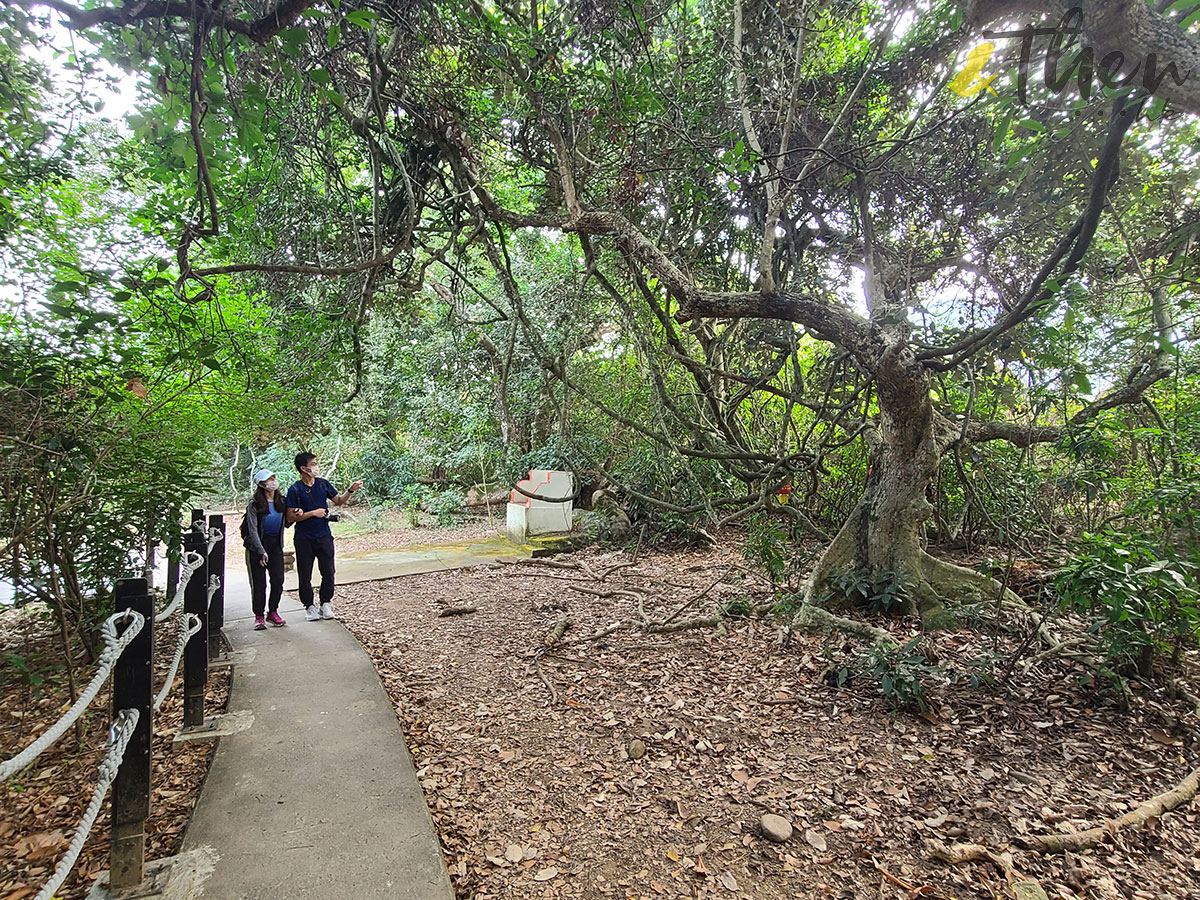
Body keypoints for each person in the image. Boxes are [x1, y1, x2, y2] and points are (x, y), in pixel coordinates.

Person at [285, 452, 363, 621]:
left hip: (324, 535)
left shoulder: (323, 484)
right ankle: (309, 606)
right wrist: (312, 513)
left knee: (328, 571)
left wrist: (351, 490)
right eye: (313, 464)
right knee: (304, 574)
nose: (316, 466)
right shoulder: (295, 490)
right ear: (304, 469)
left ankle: (325, 603)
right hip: (304, 538)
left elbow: (339, 501)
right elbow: (290, 517)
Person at [244, 469, 290, 630]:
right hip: (257, 545)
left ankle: (273, 611)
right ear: (262, 484)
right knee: (259, 583)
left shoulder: (282, 501)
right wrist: (260, 550)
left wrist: (296, 513)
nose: (273, 482)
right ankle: (258, 615)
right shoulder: (254, 504)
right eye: (269, 479)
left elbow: (287, 522)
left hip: (275, 545)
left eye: (274, 478)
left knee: (278, 580)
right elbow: (252, 529)